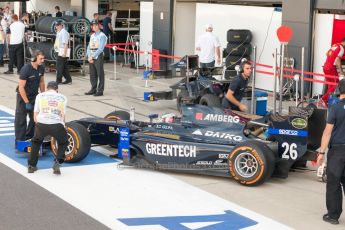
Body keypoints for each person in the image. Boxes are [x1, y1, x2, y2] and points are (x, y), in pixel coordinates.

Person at [317, 79, 345, 225]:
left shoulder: (335, 107)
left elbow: (327, 132)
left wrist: (321, 153)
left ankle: (333, 216)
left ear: (339, 90)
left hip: (338, 151)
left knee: (334, 183)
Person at [28, 81, 68, 174]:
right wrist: (63, 126)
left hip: (42, 123)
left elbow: (35, 115)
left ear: (47, 88)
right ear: (57, 89)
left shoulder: (40, 96)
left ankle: (31, 166)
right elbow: (62, 115)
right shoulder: (63, 98)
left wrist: (39, 126)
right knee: (63, 142)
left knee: (36, 142)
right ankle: (57, 163)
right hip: (57, 124)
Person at [15, 50, 45, 144]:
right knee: (21, 120)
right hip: (23, 97)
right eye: (41, 58)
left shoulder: (41, 68)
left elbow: (41, 82)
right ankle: (19, 141)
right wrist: (26, 102)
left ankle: (29, 137)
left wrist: (43, 95)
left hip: (34, 97)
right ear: (34, 58)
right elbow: (21, 87)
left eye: (43, 58)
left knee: (34, 119)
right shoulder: (25, 69)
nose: (42, 60)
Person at [85, 20, 107, 96]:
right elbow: (88, 47)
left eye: (96, 25)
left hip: (98, 56)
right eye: (93, 25)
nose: (94, 27)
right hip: (91, 55)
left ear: (99, 26)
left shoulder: (102, 36)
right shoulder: (92, 35)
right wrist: (89, 56)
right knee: (92, 74)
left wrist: (92, 56)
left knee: (100, 73)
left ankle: (100, 90)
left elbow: (100, 49)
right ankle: (93, 89)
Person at [321, 38, 345, 104]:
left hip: (325, 67)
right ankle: (324, 99)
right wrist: (341, 72)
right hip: (331, 68)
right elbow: (338, 60)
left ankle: (329, 102)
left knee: (330, 85)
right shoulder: (341, 48)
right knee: (337, 84)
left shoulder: (335, 45)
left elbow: (327, 53)